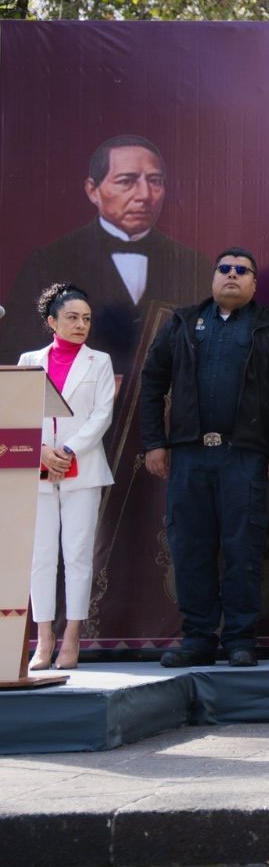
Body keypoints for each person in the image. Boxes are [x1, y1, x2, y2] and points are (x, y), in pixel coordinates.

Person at [139, 248, 269, 668]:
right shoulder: (181, 323)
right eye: (224, 269)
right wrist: (154, 443)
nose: (232, 275)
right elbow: (151, 383)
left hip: (244, 457)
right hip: (189, 456)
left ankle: (239, 639)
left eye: (241, 270)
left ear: (253, 283)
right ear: (213, 278)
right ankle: (197, 638)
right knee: (190, 547)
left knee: (242, 547)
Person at [1, 136, 210, 379]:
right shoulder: (48, 263)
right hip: (73, 407)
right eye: (127, 181)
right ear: (93, 190)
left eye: (155, 181)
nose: (144, 194)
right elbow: (19, 352)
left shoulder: (193, 265)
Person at [18, 283, 115, 671]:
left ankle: (72, 638)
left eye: (86, 319)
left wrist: (70, 450)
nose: (80, 325)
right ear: (51, 321)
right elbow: (18, 412)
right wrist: (42, 452)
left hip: (84, 468)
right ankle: (43, 640)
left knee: (77, 556)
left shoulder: (100, 361)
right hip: (38, 467)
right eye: (72, 317)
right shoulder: (29, 360)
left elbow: (101, 415)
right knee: (40, 558)